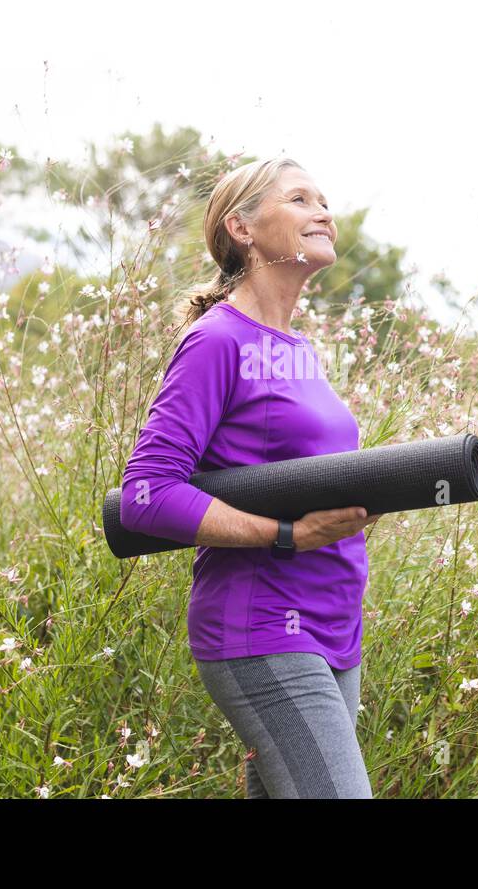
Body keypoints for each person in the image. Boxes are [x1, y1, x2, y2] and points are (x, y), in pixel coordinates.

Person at [119, 157, 378, 798]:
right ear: (242, 226)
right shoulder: (218, 341)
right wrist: (286, 534)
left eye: (324, 198)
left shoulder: (299, 350)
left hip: (336, 630)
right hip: (266, 627)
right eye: (299, 198)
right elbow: (146, 494)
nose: (324, 211)